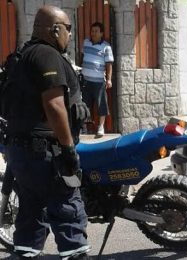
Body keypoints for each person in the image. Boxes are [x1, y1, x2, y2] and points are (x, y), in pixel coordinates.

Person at [5, 5, 90, 259]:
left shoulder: (20, 56)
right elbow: (54, 106)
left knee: (30, 217)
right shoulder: (47, 55)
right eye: (68, 29)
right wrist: (68, 149)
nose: (70, 35)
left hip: (22, 154)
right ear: (55, 30)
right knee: (69, 215)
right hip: (47, 156)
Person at [81, 22, 114, 137]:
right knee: (84, 105)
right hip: (85, 81)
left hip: (99, 81)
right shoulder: (85, 43)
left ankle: (101, 127)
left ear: (101, 33)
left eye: (96, 31)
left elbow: (109, 64)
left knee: (101, 104)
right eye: (92, 31)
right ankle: (83, 127)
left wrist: (109, 79)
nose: (93, 33)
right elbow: (82, 56)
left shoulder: (106, 47)